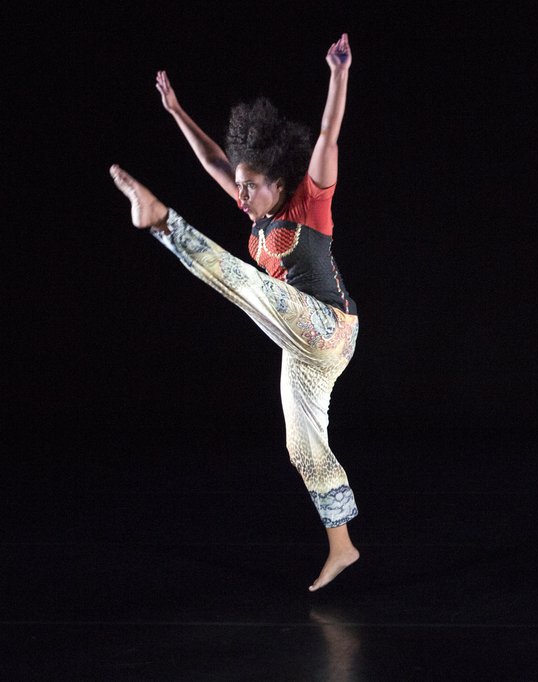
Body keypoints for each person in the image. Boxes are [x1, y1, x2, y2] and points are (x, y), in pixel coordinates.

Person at [110, 34, 361, 590]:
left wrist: (338, 73)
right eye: (240, 187)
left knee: (243, 282)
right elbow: (214, 161)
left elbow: (327, 134)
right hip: (304, 348)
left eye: (250, 187)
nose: (241, 196)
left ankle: (161, 223)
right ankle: (342, 545)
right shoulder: (256, 211)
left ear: (278, 181)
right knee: (301, 443)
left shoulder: (310, 201)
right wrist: (177, 111)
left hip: (327, 327)